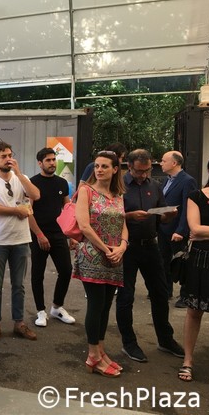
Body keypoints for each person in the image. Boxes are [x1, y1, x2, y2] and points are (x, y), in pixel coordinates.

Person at [116, 149, 183, 363]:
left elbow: (161, 218)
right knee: (126, 297)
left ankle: (165, 339)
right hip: (127, 247)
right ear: (129, 166)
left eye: (147, 171)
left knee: (160, 293)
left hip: (150, 246)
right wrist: (129, 216)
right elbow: (110, 216)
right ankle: (129, 343)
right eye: (139, 171)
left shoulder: (154, 186)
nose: (143, 175)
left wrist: (168, 215)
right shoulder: (118, 185)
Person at [73, 150, 127, 378]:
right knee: (96, 305)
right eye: (97, 166)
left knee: (106, 305)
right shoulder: (86, 191)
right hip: (93, 255)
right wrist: (106, 249)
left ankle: (101, 350)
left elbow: (123, 223)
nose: (99, 170)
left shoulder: (118, 194)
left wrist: (122, 246)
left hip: (115, 256)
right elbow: (84, 226)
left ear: (115, 169)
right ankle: (93, 355)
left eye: (105, 166)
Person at [0, 142, 40, 342]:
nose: (8, 159)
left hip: (21, 240)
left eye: (9, 155)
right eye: (3, 156)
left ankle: (19, 323)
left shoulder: (21, 178)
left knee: (19, 285)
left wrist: (20, 174)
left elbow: (36, 195)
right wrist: (16, 211)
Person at [28, 147, 75, 328]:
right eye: (48, 160)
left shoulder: (62, 183)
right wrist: (39, 235)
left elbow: (68, 209)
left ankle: (57, 307)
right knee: (37, 274)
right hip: (38, 235)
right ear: (40, 163)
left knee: (66, 270)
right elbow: (28, 212)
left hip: (58, 234)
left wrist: (72, 235)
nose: (52, 163)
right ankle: (41, 311)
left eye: (54, 159)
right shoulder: (32, 183)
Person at [178, 156, 209, 382]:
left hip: (203, 252)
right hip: (201, 260)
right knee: (194, 311)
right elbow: (195, 228)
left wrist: (205, 232)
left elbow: (201, 230)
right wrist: (200, 232)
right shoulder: (196, 196)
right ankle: (187, 360)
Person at [158, 151, 198, 308]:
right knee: (163, 260)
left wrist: (181, 230)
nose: (160, 163)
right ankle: (165, 290)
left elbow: (188, 208)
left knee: (181, 262)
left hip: (177, 230)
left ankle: (185, 294)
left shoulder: (188, 181)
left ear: (174, 163)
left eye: (163, 161)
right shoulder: (166, 180)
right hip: (163, 228)